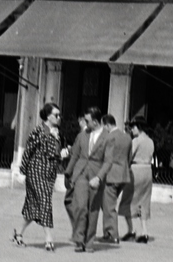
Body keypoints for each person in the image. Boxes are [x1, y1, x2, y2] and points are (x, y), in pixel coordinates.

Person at [15, 103, 65, 252]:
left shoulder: (57, 132)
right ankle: (49, 239)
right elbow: (28, 151)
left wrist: (62, 155)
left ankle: (18, 234)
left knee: (33, 207)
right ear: (48, 116)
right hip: (36, 171)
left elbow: (56, 154)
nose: (58, 117)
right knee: (45, 203)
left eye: (59, 115)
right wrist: (21, 171)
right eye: (56, 115)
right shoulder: (38, 131)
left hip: (49, 173)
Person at [67, 107, 106, 253]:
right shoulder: (82, 135)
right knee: (80, 206)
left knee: (93, 209)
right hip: (81, 173)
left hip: (97, 174)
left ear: (95, 122)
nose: (84, 122)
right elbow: (75, 155)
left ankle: (89, 241)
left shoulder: (107, 137)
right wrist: (68, 173)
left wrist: (99, 177)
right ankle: (79, 239)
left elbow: (109, 161)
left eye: (87, 121)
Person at [96, 113, 131, 244]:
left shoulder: (109, 137)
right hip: (123, 174)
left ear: (107, 125)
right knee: (109, 204)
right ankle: (109, 232)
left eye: (103, 126)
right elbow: (129, 157)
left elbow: (104, 157)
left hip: (111, 175)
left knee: (108, 205)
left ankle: (111, 234)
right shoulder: (126, 137)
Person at [122, 117, 155, 243]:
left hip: (135, 170)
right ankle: (144, 231)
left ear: (138, 127)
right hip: (147, 170)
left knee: (127, 200)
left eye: (133, 127)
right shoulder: (150, 141)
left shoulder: (136, 140)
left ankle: (131, 230)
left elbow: (129, 155)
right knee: (143, 202)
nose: (131, 130)